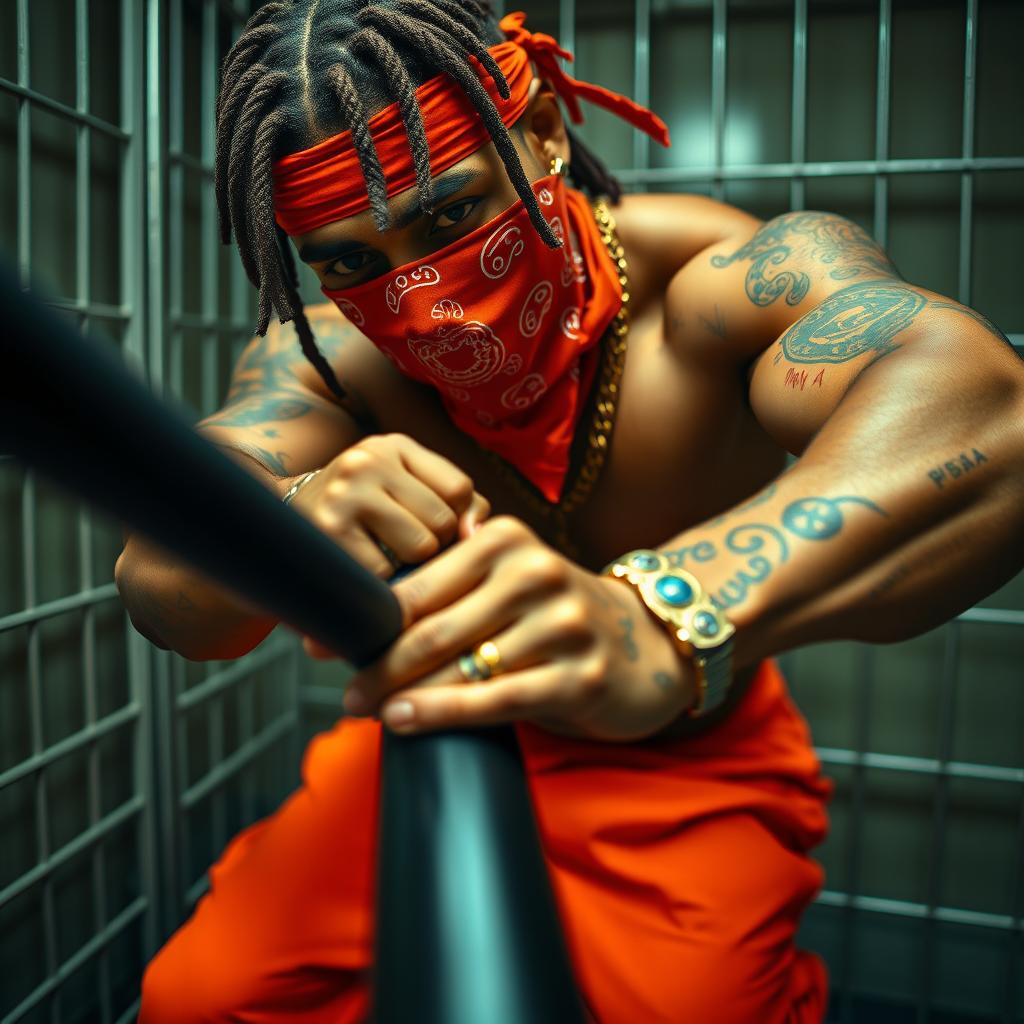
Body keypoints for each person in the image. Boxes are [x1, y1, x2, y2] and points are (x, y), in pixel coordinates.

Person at [119, 2, 1024, 1021]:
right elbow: (158, 574)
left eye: (451, 214)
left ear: (543, 130)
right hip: (439, 731)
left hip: (688, 763)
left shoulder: (716, 285)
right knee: (201, 996)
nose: (420, 308)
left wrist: (664, 616)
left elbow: (986, 409)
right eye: (351, 261)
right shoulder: (331, 359)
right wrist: (288, 515)